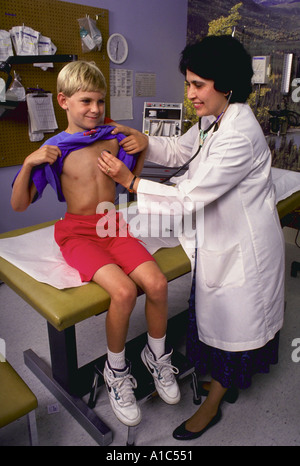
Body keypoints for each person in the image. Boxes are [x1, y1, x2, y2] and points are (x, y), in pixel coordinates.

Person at [99, 35, 285, 440]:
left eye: (198, 85)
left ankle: (215, 402)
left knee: (233, 325)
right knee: (212, 316)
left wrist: (131, 181)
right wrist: (146, 141)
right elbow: (183, 151)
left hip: (243, 248)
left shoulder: (238, 132)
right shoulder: (213, 120)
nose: (190, 94)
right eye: (188, 84)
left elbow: (186, 199)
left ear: (226, 84)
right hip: (217, 239)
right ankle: (217, 382)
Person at [10, 60, 181, 427]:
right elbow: (19, 204)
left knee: (156, 283)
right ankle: (115, 371)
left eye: (100, 101)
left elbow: (128, 180)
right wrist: (28, 163)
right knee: (122, 292)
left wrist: (144, 147)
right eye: (86, 101)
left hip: (114, 224)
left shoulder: (113, 136)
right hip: (77, 232)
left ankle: (156, 357)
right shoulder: (55, 149)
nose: (95, 109)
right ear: (63, 101)